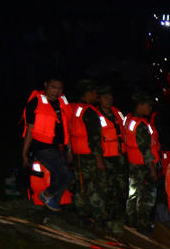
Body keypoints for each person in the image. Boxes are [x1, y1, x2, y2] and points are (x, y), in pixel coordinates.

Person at [21, 76, 74, 211]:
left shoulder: (62, 102)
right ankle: (47, 195)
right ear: (46, 85)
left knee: (58, 176)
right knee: (66, 175)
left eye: (59, 88)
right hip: (42, 147)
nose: (56, 91)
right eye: (53, 87)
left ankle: (51, 201)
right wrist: (24, 153)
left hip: (58, 147)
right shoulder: (35, 103)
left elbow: (66, 128)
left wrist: (69, 150)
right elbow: (30, 130)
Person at [69, 80, 105, 224]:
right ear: (88, 94)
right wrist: (99, 160)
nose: (97, 96)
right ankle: (97, 216)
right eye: (95, 93)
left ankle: (82, 214)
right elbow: (94, 138)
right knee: (94, 186)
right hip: (89, 156)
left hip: (78, 154)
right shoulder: (89, 112)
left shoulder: (75, 109)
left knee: (81, 184)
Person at [123, 92, 161, 229]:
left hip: (133, 163)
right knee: (147, 196)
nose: (150, 108)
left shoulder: (129, 119)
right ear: (140, 105)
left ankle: (131, 221)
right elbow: (145, 149)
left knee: (133, 194)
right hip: (144, 166)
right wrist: (152, 169)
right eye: (148, 105)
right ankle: (142, 224)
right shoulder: (141, 125)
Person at [96, 85, 129, 234]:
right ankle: (106, 221)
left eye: (110, 97)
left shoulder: (117, 112)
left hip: (120, 157)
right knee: (106, 190)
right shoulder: (95, 114)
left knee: (121, 189)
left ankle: (119, 220)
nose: (109, 100)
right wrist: (98, 159)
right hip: (105, 158)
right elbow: (95, 139)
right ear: (99, 99)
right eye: (105, 97)